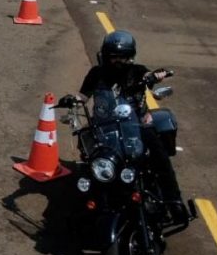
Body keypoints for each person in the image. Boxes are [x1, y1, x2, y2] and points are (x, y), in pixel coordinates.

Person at [69, 30, 187, 224]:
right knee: (89, 161)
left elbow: (150, 76)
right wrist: (72, 100)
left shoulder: (138, 71)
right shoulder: (96, 73)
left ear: (131, 57)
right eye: (114, 57)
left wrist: (156, 76)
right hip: (104, 128)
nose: (118, 62)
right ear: (105, 56)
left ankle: (173, 201)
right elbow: (83, 96)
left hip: (136, 126)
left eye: (123, 58)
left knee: (160, 158)